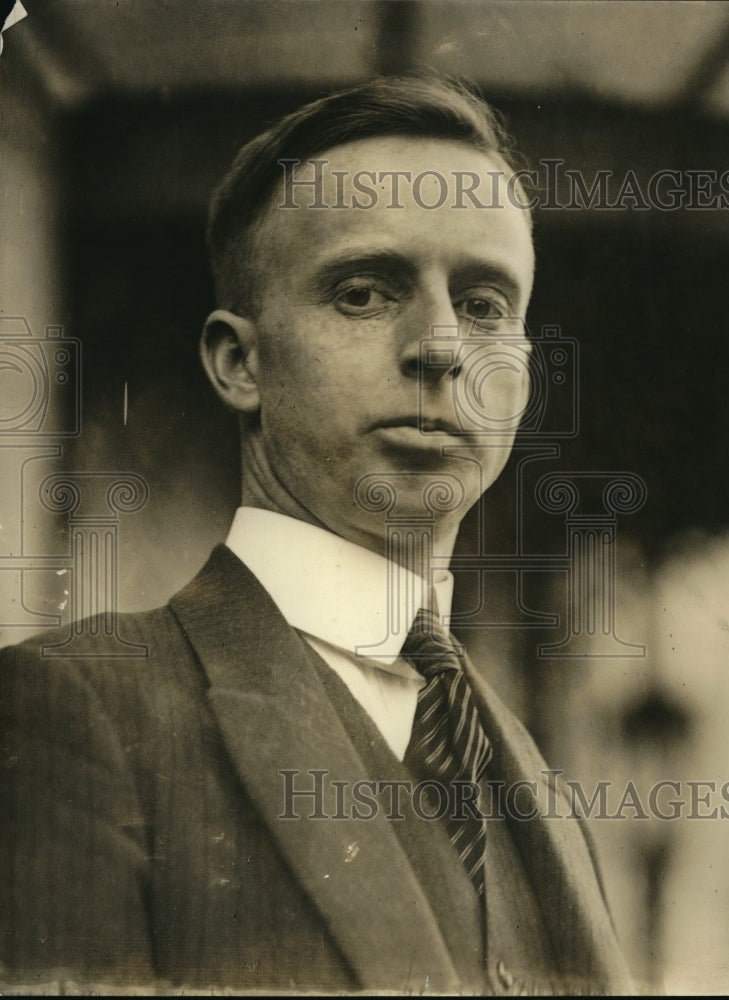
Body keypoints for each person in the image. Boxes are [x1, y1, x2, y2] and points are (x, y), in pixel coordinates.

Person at [0, 75, 633, 995]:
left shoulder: (543, 789)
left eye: (487, 304)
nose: (443, 346)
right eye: (367, 292)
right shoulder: (72, 714)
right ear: (239, 362)